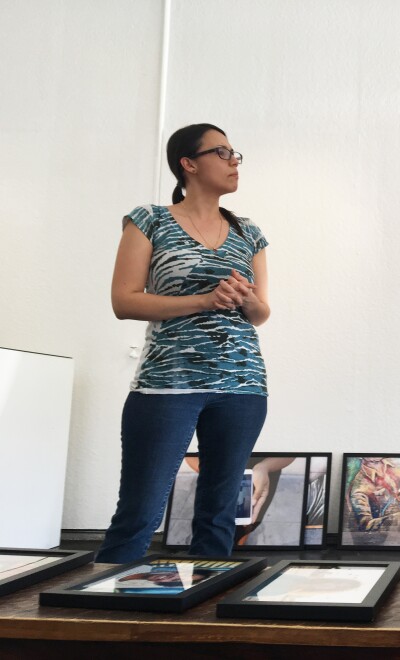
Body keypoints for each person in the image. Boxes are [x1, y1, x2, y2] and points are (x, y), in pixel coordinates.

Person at [96, 123, 270, 563]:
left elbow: (262, 312)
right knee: (140, 509)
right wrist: (204, 299)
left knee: (218, 514)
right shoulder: (149, 220)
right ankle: (104, 618)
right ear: (188, 164)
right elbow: (124, 301)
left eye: (235, 153)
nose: (234, 161)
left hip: (242, 386)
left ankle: (201, 617)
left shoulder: (249, 233)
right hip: (166, 385)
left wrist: (247, 299)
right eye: (222, 152)